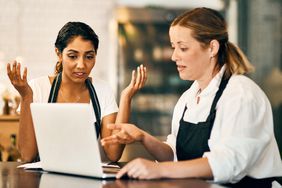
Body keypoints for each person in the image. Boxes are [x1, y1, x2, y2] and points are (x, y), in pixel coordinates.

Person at [101, 7, 282, 186]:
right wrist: (143, 137)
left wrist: (158, 170)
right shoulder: (188, 98)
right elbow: (175, 156)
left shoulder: (241, 95)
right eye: (174, 47)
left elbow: (227, 165)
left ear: (212, 48)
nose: (174, 56)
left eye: (183, 48)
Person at [7, 22, 147, 162]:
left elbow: (113, 154)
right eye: (73, 56)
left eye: (89, 57)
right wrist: (26, 96)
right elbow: (27, 155)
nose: (81, 65)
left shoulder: (102, 90)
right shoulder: (37, 88)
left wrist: (126, 98)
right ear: (59, 54)